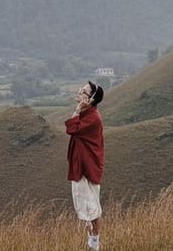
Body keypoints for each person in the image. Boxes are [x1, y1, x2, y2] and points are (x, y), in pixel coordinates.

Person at [65, 81, 105, 251]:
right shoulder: (87, 113)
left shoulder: (93, 117)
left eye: (84, 91)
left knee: (91, 208)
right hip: (81, 165)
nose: (79, 92)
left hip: (86, 168)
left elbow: (71, 128)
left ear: (91, 99)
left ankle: (94, 243)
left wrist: (77, 109)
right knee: (86, 206)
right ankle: (92, 242)